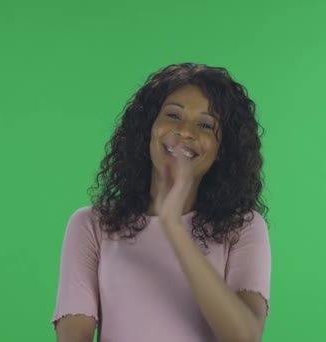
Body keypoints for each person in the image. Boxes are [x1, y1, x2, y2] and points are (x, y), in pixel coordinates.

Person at [51, 62, 271, 342]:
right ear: (148, 129)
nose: (185, 131)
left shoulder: (243, 228)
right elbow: (74, 335)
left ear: (221, 151)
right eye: (173, 115)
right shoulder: (92, 226)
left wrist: (173, 226)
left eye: (205, 124)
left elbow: (244, 337)